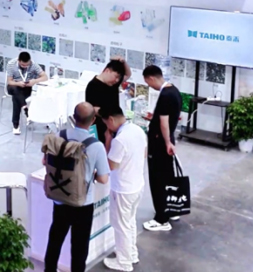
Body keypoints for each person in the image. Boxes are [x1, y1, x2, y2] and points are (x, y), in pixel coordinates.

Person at [44, 102, 109, 272]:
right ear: (93, 120)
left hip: (59, 198)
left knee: (55, 239)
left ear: (73, 117)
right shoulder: (96, 146)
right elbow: (103, 179)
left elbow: (45, 161)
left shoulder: (59, 136)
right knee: (79, 248)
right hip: (82, 203)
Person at [101, 105, 148, 272]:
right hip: (137, 184)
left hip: (123, 189)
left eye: (106, 123)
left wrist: (108, 141)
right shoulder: (138, 130)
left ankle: (124, 262)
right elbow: (143, 154)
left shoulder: (119, 140)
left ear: (111, 119)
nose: (107, 127)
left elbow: (110, 165)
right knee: (129, 222)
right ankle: (130, 253)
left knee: (121, 225)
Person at [142, 65, 182, 231]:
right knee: (168, 175)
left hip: (160, 143)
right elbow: (170, 117)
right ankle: (172, 209)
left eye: (148, 83)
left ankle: (161, 219)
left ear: (151, 78)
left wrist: (166, 143)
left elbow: (164, 122)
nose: (149, 86)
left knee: (157, 178)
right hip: (168, 140)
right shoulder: (174, 91)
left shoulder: (164, 95)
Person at [84, 58, 130, 143]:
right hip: (101, 126)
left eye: (119, 78)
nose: (117, 80)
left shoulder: (114, 84)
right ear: (107, 71)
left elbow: (128, 75)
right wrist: (107, 114)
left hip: (115, 124)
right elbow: (91, 109)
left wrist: (123, 62)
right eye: (116, 76)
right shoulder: (92, 86)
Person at [7, 51, 47, 135]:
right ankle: (27, 111)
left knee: (16, 98)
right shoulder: (11, 64)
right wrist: (18, 83)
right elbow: (9, 81)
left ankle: (16, 125)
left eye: (27, 65)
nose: (25, 67)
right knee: (15, 90)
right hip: (14, 86)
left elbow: (45, 77)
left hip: (26, 87)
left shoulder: (33, 65)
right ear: (18, 60)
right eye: (22, 65)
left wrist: (34, 81)